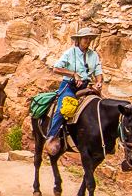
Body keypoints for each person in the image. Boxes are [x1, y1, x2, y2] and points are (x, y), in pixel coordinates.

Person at [41, 26, 103, 154]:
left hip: (86, 86)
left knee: (101, 106)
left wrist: (99, 82)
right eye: (85, 38)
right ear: (79, 40)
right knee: (64, 108)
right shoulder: (70, 53)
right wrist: (73, 74)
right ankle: (51, 137)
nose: (88, 41)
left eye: (90, 38)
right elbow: (56, 68)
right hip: (69, 85)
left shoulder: (93, 55)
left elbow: (98, 71)